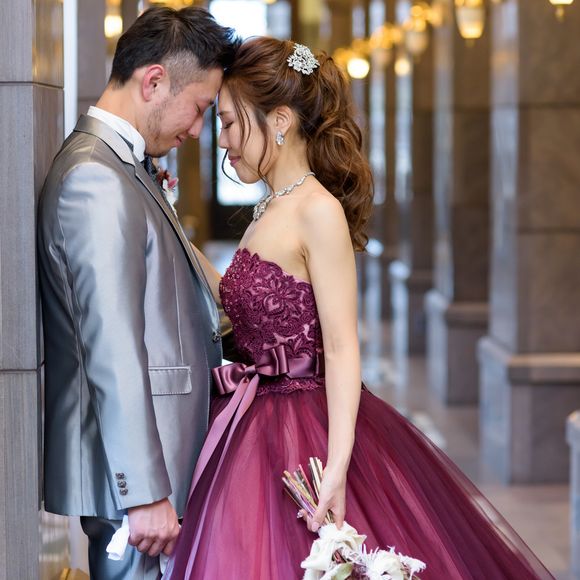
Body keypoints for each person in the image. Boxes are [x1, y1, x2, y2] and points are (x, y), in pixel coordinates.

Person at [164, 37, 553, 579]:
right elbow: (237, 296)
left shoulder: (317, 210)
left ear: (280, 121)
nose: (223, 139)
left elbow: (343, 346)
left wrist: (338, 464)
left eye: (230, 123)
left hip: (305, 423)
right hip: (253, 419)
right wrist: (170, 228)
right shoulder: (271, 207)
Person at [37, 7, 239, 579]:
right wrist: (145, 491)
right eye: (198, 107)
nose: (197, 130)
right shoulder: (95, 178)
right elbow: (113, 345)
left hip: (161, 463)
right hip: (137, 491)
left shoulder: (123, 166)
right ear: (153, 82)